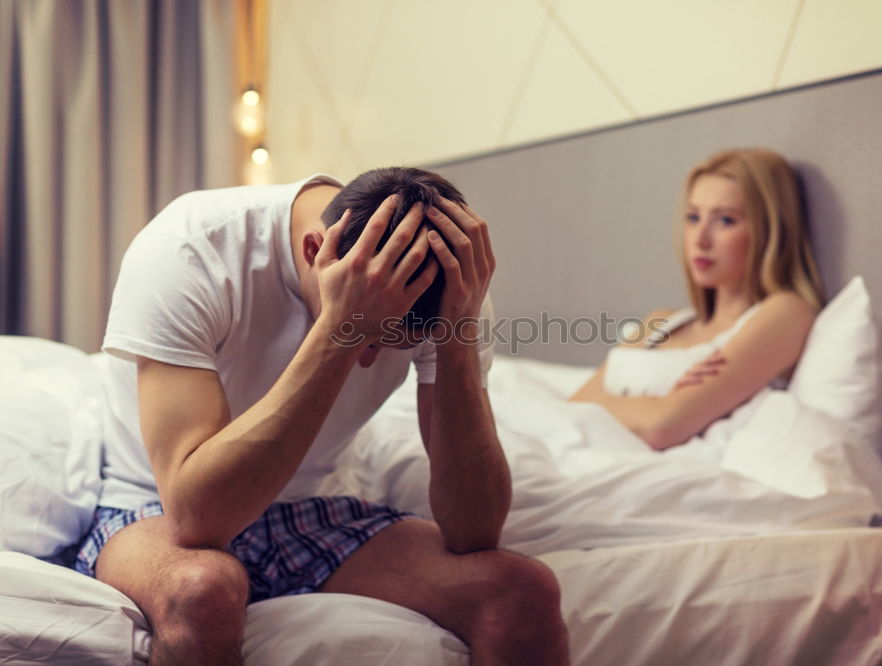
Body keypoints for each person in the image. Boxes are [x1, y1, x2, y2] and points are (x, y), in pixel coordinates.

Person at [74, 166, 570, 665]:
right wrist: (340, 332)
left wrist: (457, 335)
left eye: (387, 343)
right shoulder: (192, 247)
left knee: (522, 589)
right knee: (202, 589)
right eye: (369, 338)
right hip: (151, 507)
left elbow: (474, 532)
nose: (370, 359)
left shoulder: (448, 283)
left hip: (311, 507)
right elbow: (196, 518)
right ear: (316, 252)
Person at [571, 148, 825, 450]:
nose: (700, 239)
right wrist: (657, 402)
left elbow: (660, 427)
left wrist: (622, 405)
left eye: (725, 220)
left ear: (770, 231)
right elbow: (574, 404)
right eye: (693, 217)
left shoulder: (785, 313)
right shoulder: (658, 321)